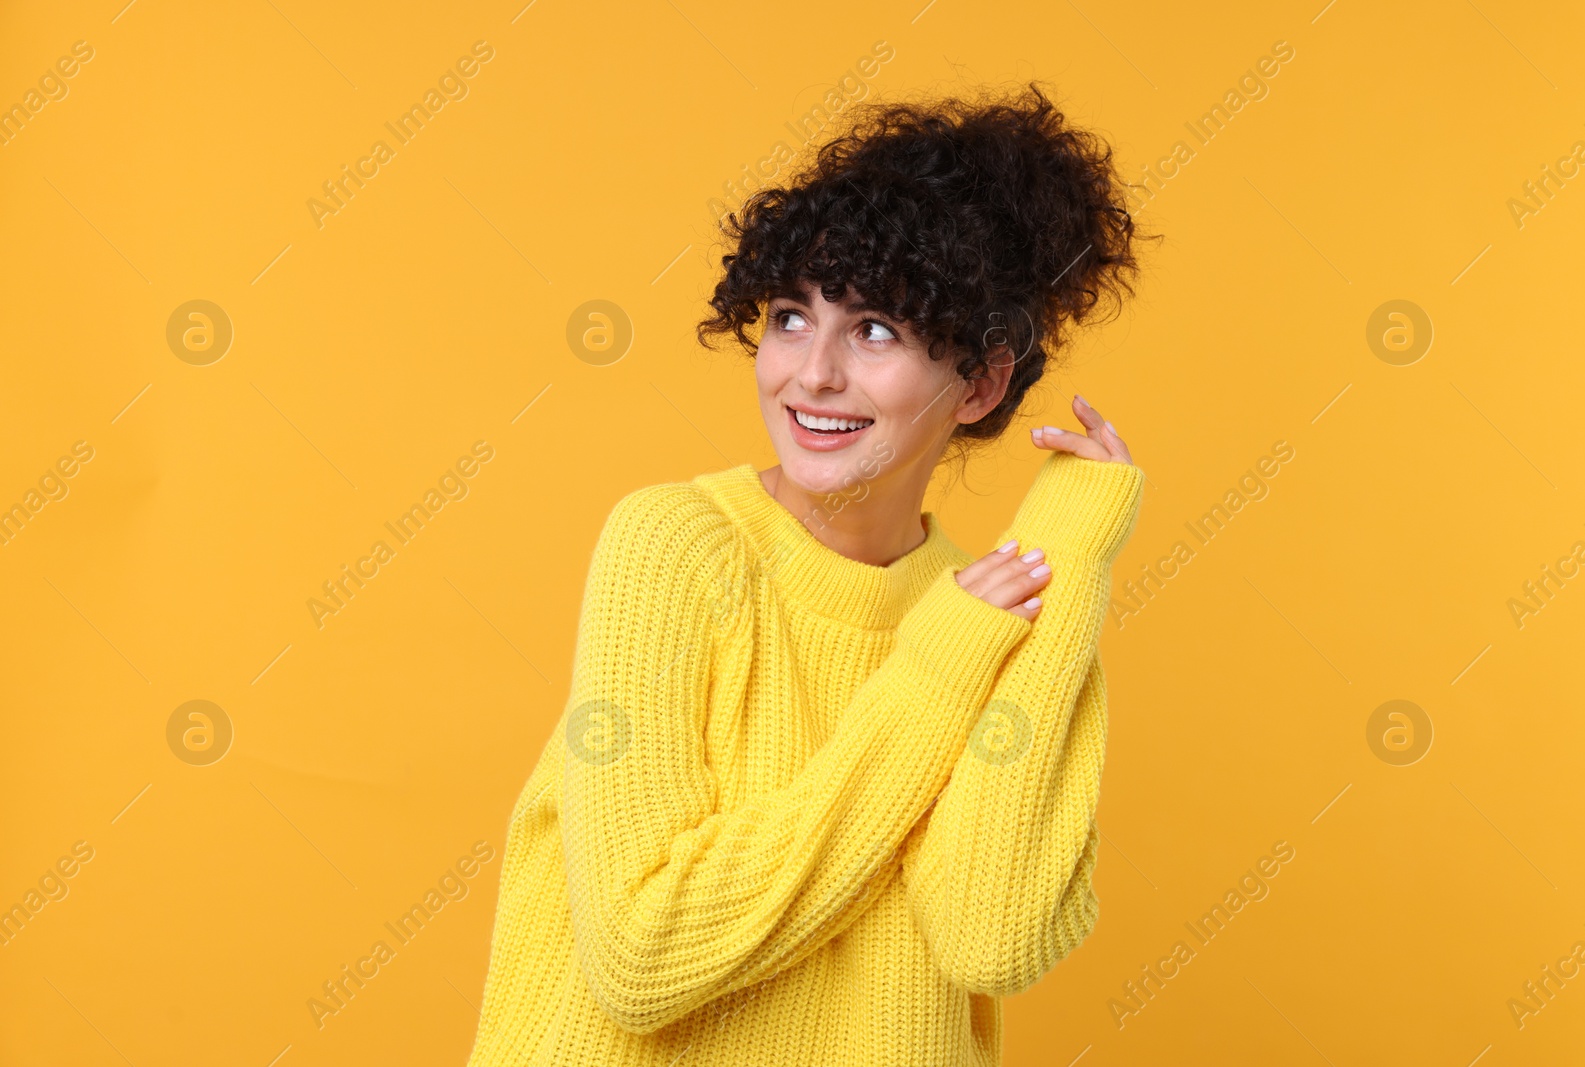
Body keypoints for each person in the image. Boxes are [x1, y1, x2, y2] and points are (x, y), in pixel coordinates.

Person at [467, 82, 1151, 1066]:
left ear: (984, 381)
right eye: (791, 316)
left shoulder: (997, 609)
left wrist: (1073, 549)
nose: (811, 373)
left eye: (873, 329)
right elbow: (642, 948)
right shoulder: (678, 544)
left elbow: (991, 931)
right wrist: (931, 677)